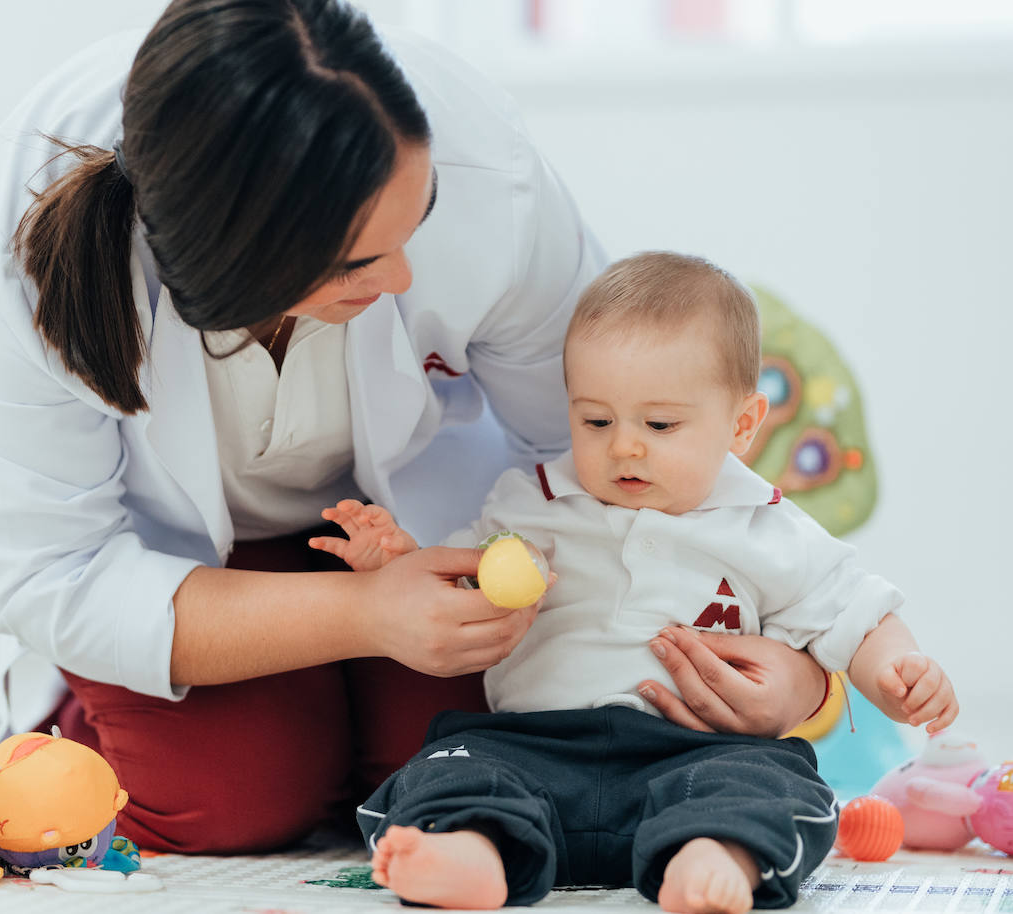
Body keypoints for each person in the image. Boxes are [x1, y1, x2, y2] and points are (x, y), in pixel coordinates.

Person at [0, 0, 830, 855]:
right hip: (163, 559)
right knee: (231, 797)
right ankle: (63, 733)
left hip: (421, 529)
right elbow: (65, 570)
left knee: (469, 757)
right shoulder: (18, 241)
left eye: (417, 222)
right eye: (358, 262)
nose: (401, 280)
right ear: (227, 271)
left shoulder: (488, 175)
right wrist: (363, 614)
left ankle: (339, 718)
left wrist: (803, 676)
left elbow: (596, 448)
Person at [312, 252, 957, 911]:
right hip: (539, 746)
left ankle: (711, 856)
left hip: (697, 758)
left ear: (741, 425)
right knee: (454, 763)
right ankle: (474, 853)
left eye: (659, 425)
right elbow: (453, 585)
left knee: (774, 782)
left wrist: (896, 671)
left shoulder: (769, 530)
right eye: (596, 421)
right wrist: (394, 559)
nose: (624, 447)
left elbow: (857, 611)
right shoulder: (530, 505)